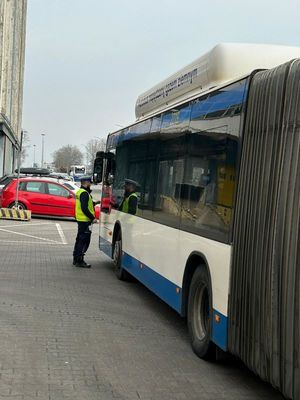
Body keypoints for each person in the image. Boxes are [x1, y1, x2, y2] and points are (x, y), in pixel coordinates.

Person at [73, 175, 96, 268]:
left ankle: (76, 259)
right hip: (85, 220)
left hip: (80, 219)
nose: (90, 184)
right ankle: (80, 261)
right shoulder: (85, 193)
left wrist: (95, 203)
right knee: (83, 241)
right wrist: (92, 218)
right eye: (90, 182)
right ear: (86, 183)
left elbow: (85, 204)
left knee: (79, 240)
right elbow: (84, 208)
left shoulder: (80, 191)